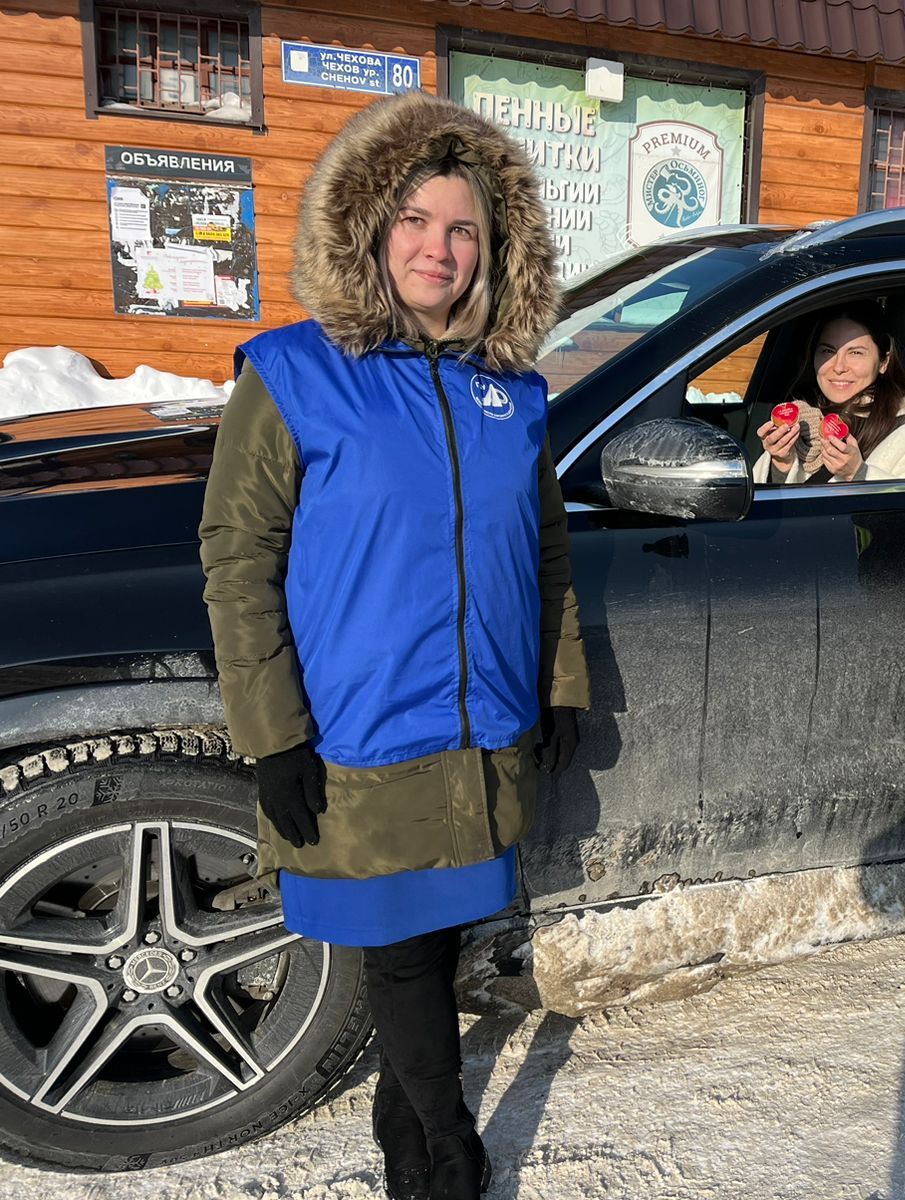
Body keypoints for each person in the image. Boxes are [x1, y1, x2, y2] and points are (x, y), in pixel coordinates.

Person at [198, 91, 586, 1200]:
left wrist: (556, 685)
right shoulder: (293, 373)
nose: (439, 249)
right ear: (368, 227)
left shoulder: (512, 391)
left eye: (464, 229)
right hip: (357, 737)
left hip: (484, 728)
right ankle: (448, 1149)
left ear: (495, 248)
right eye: (415, 220)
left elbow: (544, 552)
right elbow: (238, 558)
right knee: (403, 955)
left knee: (445, 937)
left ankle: (403, 1128)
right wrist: (271, 732)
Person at [753, 301, 905, 483]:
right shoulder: (802, 417)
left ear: (883, 361)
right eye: (828, 351)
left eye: (855, 353)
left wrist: (859, 474)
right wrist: (782, 463)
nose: (839, 366)